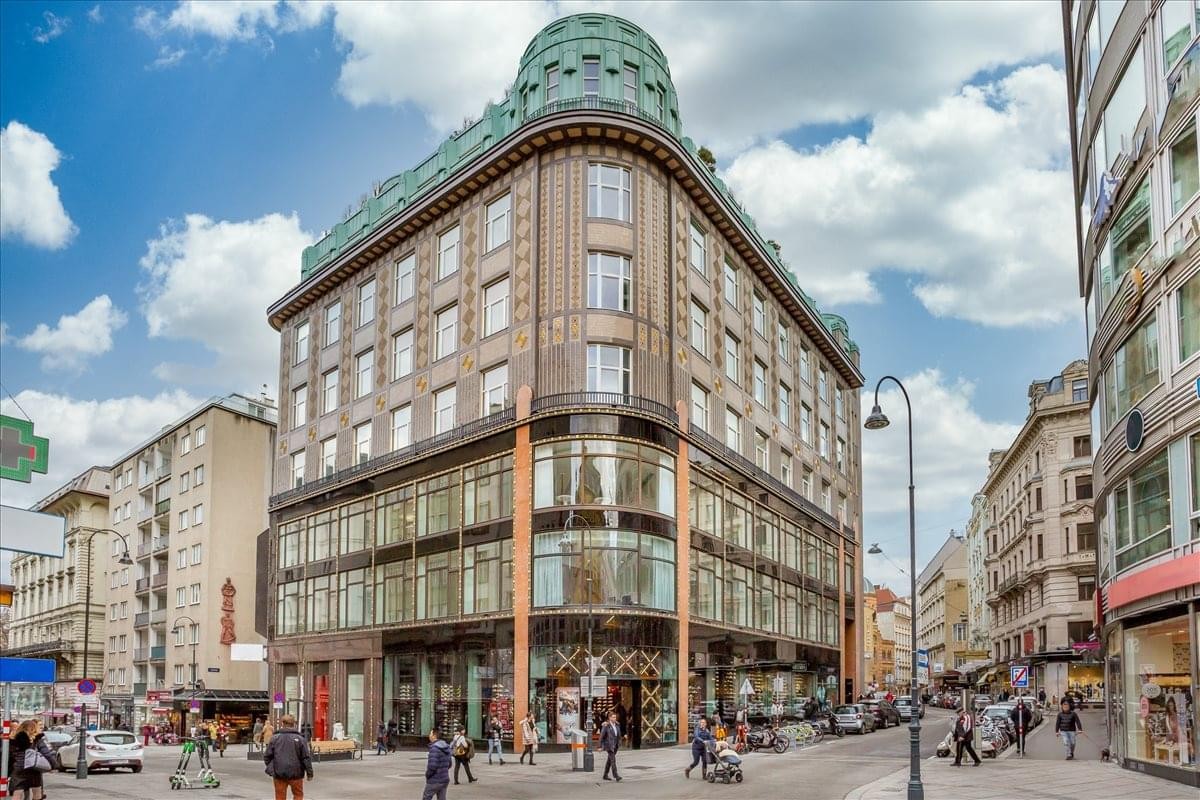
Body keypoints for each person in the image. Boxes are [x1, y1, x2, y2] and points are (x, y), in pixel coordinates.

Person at [264, 714, 314, 800]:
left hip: (279, 773)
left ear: (282, 723)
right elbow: (306, 757)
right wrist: (309, 773)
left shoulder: (275, 738)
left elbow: (267, 756)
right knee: (298, 795)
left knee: (280, 796)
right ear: (294, 724)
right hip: (296, 773)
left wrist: (273, 768)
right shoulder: (300, 739)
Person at [421, 728, 452, 800]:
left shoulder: (434, 748)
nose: (429, 735)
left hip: (435, 779)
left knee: (426, 797)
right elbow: (449, 764)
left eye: (430, 734)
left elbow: (432, 766)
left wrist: (427, 775)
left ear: (434, 736)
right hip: (444, 779)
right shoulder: (446, 747)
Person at [600, 711, 621, 782]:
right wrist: (599, 746)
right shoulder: (606, 725)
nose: (615, 718)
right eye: (613, 717)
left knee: (609, 761)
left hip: (615, 745)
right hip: (609, 745)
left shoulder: (617, 725)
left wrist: (619, 742)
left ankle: (605, 775)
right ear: (609, 718)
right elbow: (601, 736)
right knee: (613, 760)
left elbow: (618, 735)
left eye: (615, 717)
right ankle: (616, 775)